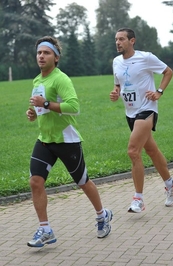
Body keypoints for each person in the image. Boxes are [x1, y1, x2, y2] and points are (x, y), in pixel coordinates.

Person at [26, 36, 112, 247]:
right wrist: (33, 113)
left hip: (66, 140)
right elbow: (41, 109)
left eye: (46, 53)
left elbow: (74, 107)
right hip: (45, 140)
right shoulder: (37, 80)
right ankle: (45, 230)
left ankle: (102, 215)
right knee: (35, 182)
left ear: (56, 57)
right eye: (39, 53)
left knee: (83, 182)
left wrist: (45, 103)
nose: (41, 56)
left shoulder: (61, 79)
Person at [110, 28, 173, 213]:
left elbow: (168, 72)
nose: (118, 42)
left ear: (132, 41)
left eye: (122, 39)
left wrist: (159, 92)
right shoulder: (116, 61)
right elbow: (118, 83)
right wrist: (116, 91)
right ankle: (171, 183)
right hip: (130, 112)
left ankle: (138, 199)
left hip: (146, 109)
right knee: (151, 149)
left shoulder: (146, 57)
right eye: (116, 39)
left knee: (133, 151)